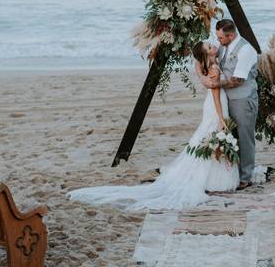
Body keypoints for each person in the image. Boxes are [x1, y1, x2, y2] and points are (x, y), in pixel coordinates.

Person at [67, 40, 239, 211]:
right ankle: (213, 178)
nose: (214, 46)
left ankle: (208, 175)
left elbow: (201, 69)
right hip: (216, 105)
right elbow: (216, 95)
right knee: (213, 133)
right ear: (206, 54)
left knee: (206, 136)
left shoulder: (205, 66)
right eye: (210, 47)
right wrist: (221, 117)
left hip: (211, 104)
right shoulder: (214, 69)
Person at [205, 19, 259, 190]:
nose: (218, 40)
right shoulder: (223, 46)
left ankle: (246, 177)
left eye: (221, 37)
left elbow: (238, 80)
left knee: (245, 138)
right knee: (230, 136)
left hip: (243, 99)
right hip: (226, 100)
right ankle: (232, 173)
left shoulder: (246, 50)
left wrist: (215, 85)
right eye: (217, 36)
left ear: (231, 35)